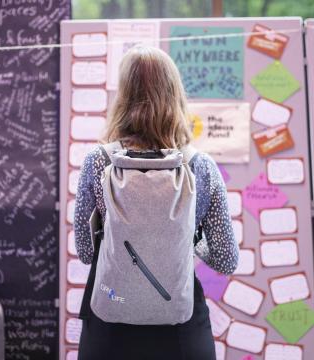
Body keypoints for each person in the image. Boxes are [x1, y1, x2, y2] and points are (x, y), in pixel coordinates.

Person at [73, 45, 239, 360]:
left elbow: (84, 252)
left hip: (110, 320)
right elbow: (226, 259)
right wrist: (182, 240)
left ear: (122, 96)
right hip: (180, 328)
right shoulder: (199, 166)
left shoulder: (98, 161)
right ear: (175, 95)